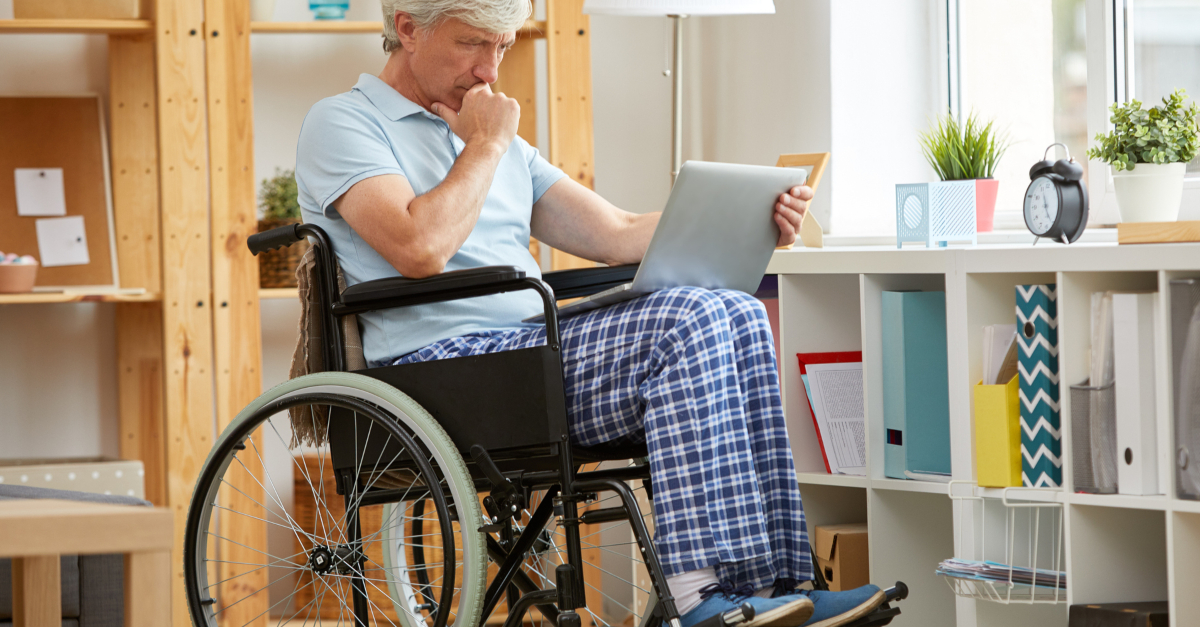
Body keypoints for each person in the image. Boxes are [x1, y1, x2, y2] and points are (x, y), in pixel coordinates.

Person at [295, 2, 886, 626]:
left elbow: (618, 231)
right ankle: (697, 599)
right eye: (473, 43)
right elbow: (419, 247)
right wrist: (489, 145)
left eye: (503, 45)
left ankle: (778, 587)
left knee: (736, 310)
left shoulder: (493, 138)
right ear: (408, 28)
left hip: (525, 352)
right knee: (688, 319)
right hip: (438, 371)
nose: (490, 68)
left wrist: (755, 219)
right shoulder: (345, 123)